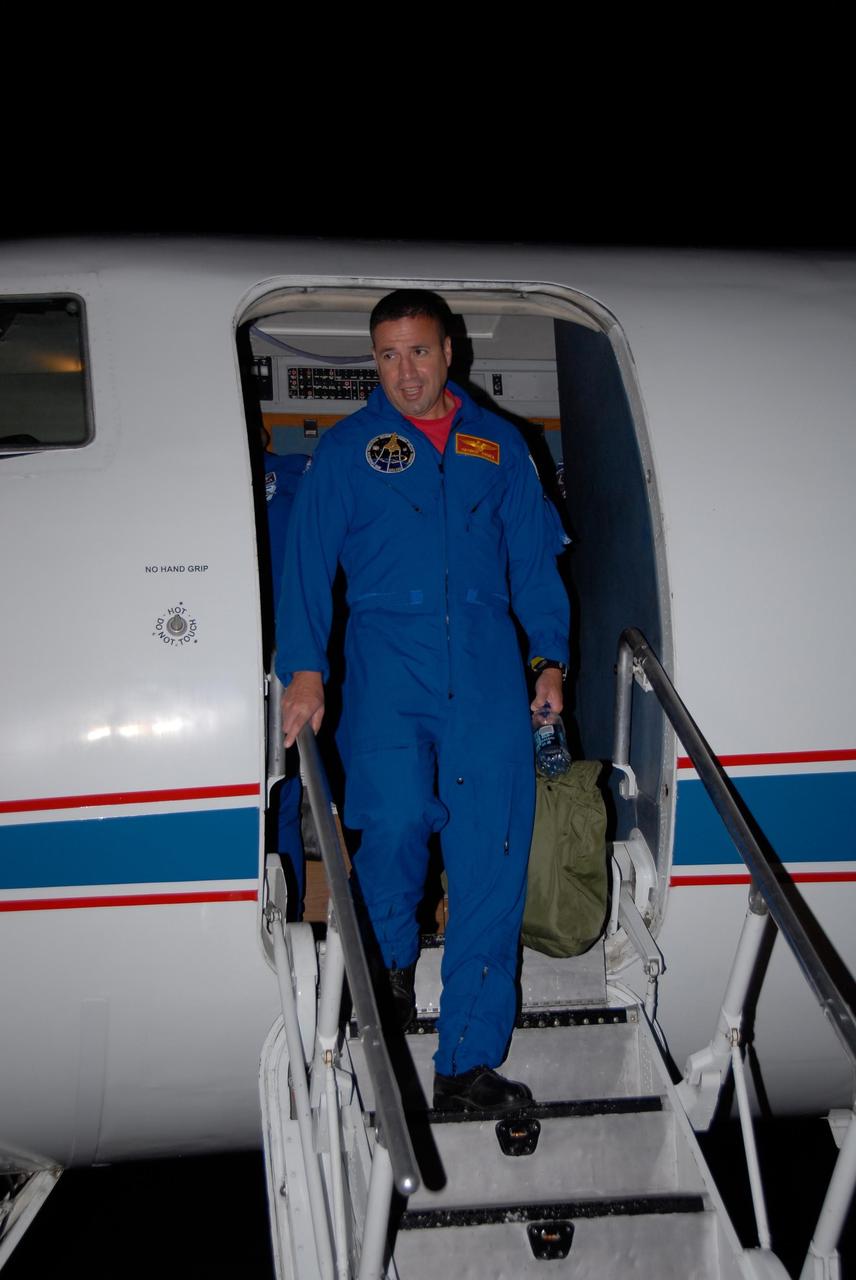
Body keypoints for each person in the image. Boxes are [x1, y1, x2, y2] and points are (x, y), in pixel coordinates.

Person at [277, 290, 569, 1112]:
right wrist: (304, 667)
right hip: (387, 667)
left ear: (450, 352)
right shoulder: (347, 451)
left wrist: (549, 661)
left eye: (417, 352)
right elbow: (305, 563)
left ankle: (467, 1062)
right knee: (397, 822)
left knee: (490, 861)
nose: (403, 372)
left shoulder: (500, 447)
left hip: (484, 670)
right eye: (387, 356)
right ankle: (393, 967)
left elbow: (537, 568)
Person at [263, 435, 310, 919]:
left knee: (278, 805)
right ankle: (285, 925)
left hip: (281, 672)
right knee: (279, 807)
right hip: (285, 669)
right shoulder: (301, 473)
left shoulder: (296, 473)